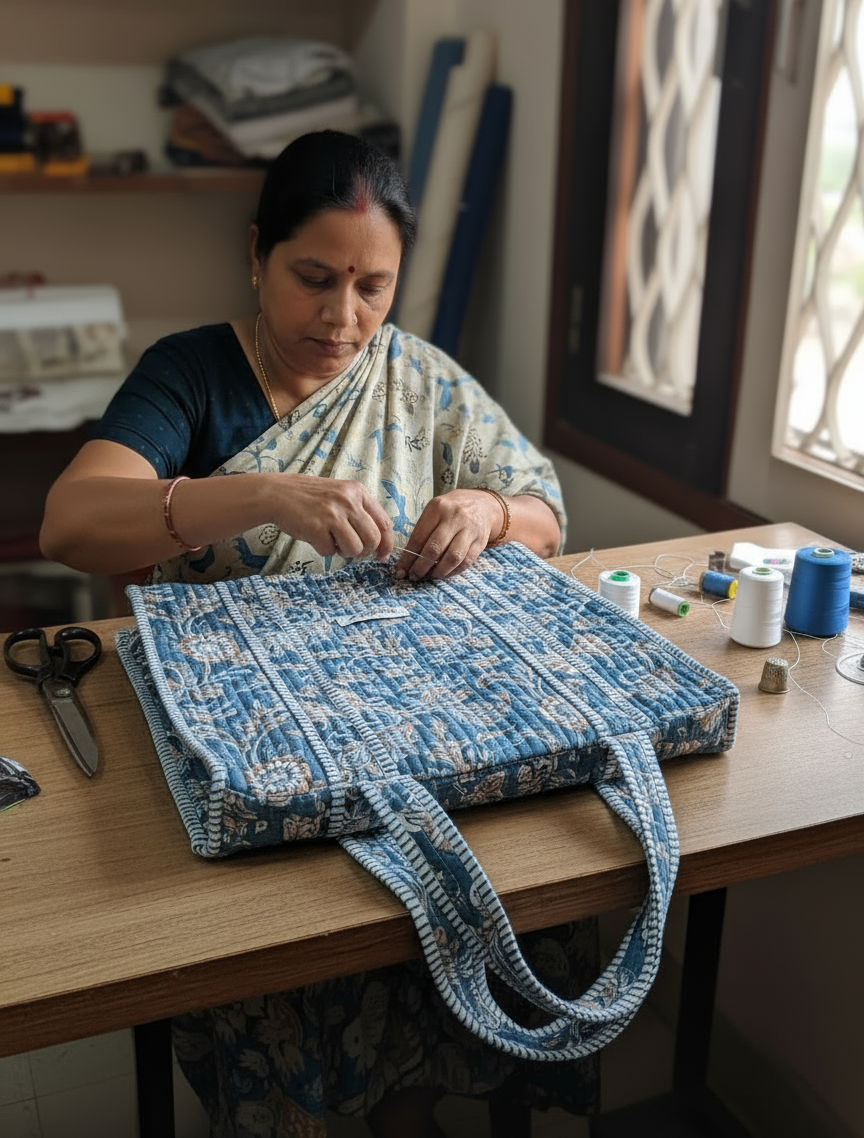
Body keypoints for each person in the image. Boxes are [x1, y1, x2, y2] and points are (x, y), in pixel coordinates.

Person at [40, 130, 598, 1138]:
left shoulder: (418, 379)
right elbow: (72, 520)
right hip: (263, 768)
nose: (344, 319)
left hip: (411, 749)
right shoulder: (194, 374)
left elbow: (548, 512)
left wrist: (485, 510)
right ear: (256, 255)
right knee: (292, 977)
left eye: (373, 286)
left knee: (459, 939)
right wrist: (255, 494)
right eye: (312, 278)